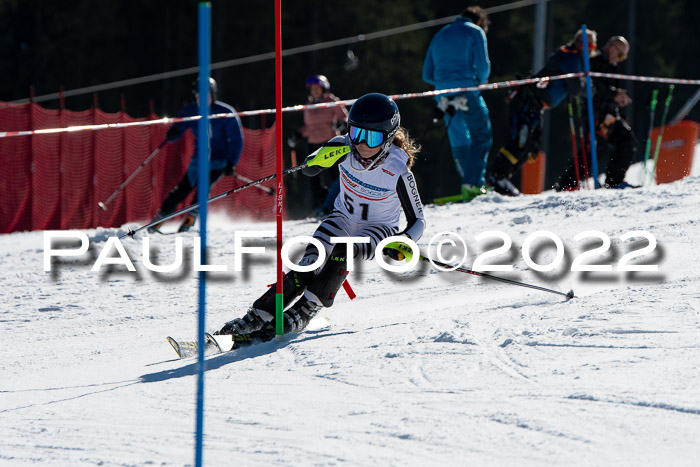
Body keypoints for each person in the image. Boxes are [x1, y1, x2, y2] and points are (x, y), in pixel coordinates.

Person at [216, 93, 425, 340]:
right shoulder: (343, 146)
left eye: (372, 137)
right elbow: (310, 168)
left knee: (344, 251)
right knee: (308, 263)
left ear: (389, 138)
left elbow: (418, 221)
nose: (362, 144)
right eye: (356, 133)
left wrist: (403, 242)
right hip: (342, 218)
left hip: (377, 229)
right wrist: (319, 159)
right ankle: (258, 315)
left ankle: (306, 308)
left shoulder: (397, 169)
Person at [488, 28, 598, 196]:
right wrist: (588, 89)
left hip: (537, 105)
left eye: (590, 46)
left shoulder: (578, 61)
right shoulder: (571, 56)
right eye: (583, 43)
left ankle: (502, 177)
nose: (586, 48)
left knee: (531, 145)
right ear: (576, 42)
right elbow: (576, 88)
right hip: (527, 100)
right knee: (520, 141)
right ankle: (497, 176)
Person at [148, 77, 244, 233]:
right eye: (198, 96)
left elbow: (236, 140)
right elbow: (180, 125)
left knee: (202, 190)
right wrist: (174, 132)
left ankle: (187, 223)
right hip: (198, 162)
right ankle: (156, 223)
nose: (201, 99)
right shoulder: (191, 111)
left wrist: (231, 162)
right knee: (180, 191)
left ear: (213, 95)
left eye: (206, 95)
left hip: (218, 162)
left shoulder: (225, 112)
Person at [422, 6, 492, 202]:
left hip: (443, 95)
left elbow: (427, 74)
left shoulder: (439, 35)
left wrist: (444, 82)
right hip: (466, 92)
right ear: (479, 22)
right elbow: (484, 68)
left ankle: (469, 184)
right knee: (481, 136)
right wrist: (478, 84)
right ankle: (474, 184)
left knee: (459, 140)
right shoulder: (475, 32)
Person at [555, 36, 637, 190]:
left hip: (610, 115)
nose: (621, 59)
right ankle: (566, 183)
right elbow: (593, 88)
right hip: (596, 115)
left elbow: (606, 90)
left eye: (624, 57)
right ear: (611, 47)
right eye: (620, 54)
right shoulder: (595, 61)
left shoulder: (609, 66)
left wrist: (617, 98)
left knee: (626, 140)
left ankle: (614, 181)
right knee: (593, 150)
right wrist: (614, 95)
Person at [287, 75, 349, 217]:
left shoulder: (331, 101)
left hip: (330, 143)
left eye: (317, 88)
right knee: (313, 178)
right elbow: (308, 126)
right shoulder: (309, 104)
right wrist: (298, 135)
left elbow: (344, 117)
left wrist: (342, 124)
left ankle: (340, 205)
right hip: (313, 144)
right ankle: (319, 207)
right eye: (312, 89)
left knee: (336, 176)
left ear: (324, 89)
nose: (315, 91)